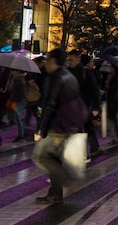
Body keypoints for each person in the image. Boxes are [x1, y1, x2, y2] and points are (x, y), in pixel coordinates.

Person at [34, 49, 88, 204]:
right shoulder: (69, 76)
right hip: (69, 124)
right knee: (54, 158)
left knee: (42, 157)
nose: (45, 64)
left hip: (57, 126)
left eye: (47, 60)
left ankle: (66, 177)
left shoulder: (56, 77)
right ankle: (55, 194)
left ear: (52, 61)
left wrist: (40, 129)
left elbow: (50, 104)